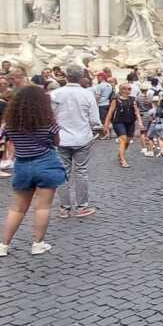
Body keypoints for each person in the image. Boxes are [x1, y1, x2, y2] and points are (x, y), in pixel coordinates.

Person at [0, 84, 67, 258]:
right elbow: (56, 142)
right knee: (42, 207)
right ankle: (38, 243)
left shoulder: (11, 124)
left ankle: (3, 245)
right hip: (46, 163)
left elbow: (7, 140)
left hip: (23, 164)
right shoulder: (48, 122)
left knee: (17, 208)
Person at [51, 65, 101, 218]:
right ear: (81, 77)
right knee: (81, 172)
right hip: (82, 138)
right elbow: (94, 120)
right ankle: (82, 207)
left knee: (63, 173)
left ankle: (64, 208)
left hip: (61, 138)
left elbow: (49, 117)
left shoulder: (55, 94)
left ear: (66, 76)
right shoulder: (87, 95)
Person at [103, 83, 141, 168]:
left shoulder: (133, 99)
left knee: (128, 140)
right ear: (120, 89)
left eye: (129, 89)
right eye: (124, 88)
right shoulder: (115, 99)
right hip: (118, 122)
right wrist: (106, 124)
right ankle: (123, 160)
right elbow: (110, 112)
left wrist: (140, 122)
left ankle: (120, 154)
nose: (127, 91)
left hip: (130, 122)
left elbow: (136, 112)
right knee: (123, 139)